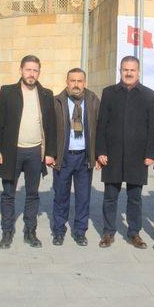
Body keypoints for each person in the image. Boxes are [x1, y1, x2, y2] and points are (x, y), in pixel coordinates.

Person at [0, 55, 56, 249]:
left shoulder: (45, 94)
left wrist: (50, 152)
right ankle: (7, 232)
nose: (31, 74)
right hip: (12, 152)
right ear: (21, 70)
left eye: (35, 70)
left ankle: (30, 231)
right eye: (28, 70)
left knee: (32, 194)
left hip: (35, 152)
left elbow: (51, 126)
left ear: (39, 72)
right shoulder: (8, 92)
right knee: (8, 194)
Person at [96, 56, 154, 249]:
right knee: (110, 197)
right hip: (112, 155)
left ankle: (134, 233)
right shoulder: (109, 93)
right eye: (125, 70)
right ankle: (108, 232)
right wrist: (101, 150)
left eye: (132, 70)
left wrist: (150, 153)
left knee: (135, 198)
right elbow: (101, 124)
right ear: (120, 71)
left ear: (138, 71)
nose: (128, 73)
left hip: (137, 157)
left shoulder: (148, 94)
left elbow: (151, 127)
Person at [51, 68, 100, 246]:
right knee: (61, 196)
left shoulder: (93, 100)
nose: (76, 85)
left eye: (80, 81)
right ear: (67, 82)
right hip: (63, 157)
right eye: (73, 81)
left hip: (84, 157)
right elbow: (50, 130)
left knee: (83, 197)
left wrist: (97, 155)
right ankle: (58, 230)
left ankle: (80, 231)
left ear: (84, 83)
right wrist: (51, 154)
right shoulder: (57, 101)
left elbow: (100, 128)